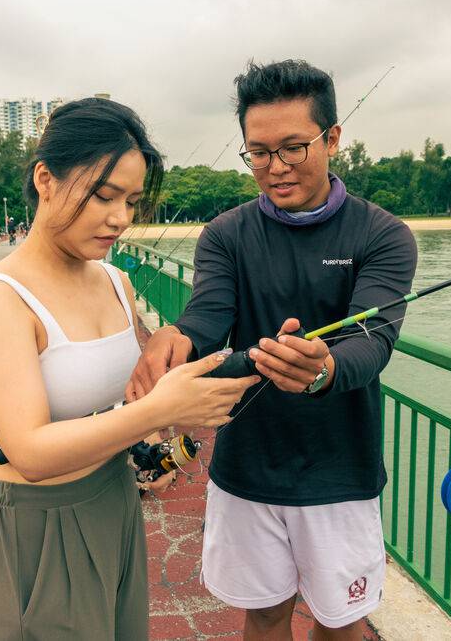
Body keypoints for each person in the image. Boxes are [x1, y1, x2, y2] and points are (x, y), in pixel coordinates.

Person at [126, 59, 418, 640]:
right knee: (262, 615)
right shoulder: (226, 234)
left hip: (342, 469)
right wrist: (176, 338)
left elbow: (373, 341)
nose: (275, 168)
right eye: (258, 152)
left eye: (293, 148)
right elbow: (209, 316)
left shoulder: (382, 235)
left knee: (342, 622)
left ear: (332, 138)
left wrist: (324, 368)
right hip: (247, 465)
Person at [0, 97, 259, 641]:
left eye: (133, 200)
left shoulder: (114, 281)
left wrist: (160, 402)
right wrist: (157, 412)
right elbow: (29, 452)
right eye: (103, 194)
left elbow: (117, 405)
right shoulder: (0, 299)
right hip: (36, 524)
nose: (120, 218)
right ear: (45, 179)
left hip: (115, 502)